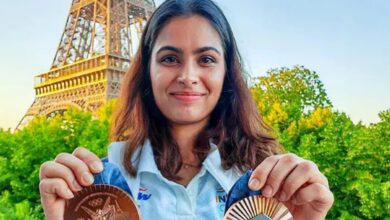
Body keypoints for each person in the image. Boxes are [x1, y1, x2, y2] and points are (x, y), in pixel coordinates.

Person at [39, 0, 334, 219]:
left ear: (226, 73)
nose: (188, 76)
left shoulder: (268, 186)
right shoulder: (98, 186)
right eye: (170, 59)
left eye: (206, 59)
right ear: (147, 71)